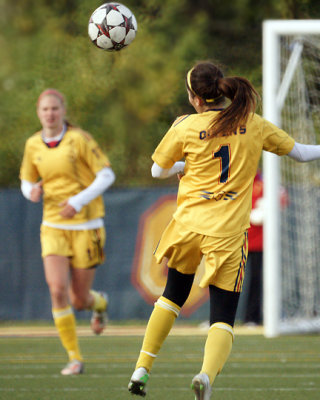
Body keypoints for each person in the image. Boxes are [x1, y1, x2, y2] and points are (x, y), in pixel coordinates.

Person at [127, 61, 320, 399]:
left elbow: (158, 170)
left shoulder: (185, 126)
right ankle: (205, 376)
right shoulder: (252, 123)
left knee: (171, 296)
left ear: (195, 98)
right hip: (227, 233)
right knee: (222, 316)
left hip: (188, 226)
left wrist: (186, 164)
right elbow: (302, 154)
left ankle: (142, 367)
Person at [20, 89, 115, 375]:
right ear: (38, 112)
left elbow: (107, 174)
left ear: (63, 111)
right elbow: (26, 180)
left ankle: (99, 303)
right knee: (57, 289)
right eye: (45, 109)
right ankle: (74, 357)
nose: (50, 113)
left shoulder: (79, 139)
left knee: (78, 299)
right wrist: (31, 191)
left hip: (87, 226)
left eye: (55, 109)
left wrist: (77, 201)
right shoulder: (32, 144)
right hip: (53, 226)